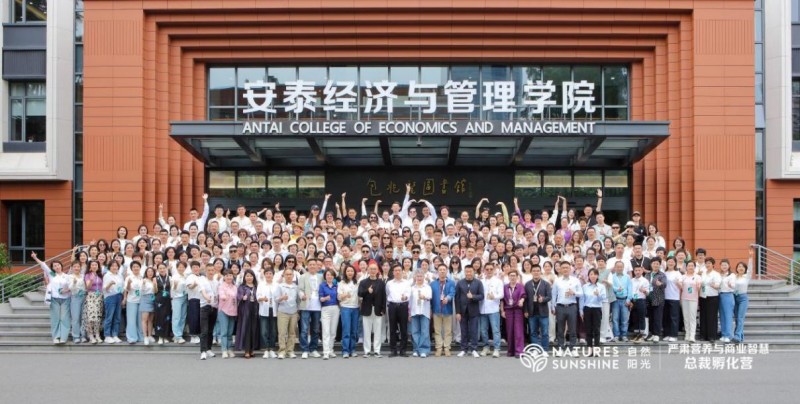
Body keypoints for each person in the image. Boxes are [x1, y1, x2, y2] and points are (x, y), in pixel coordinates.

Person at [33, 252, 71, 345]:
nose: (57, 267)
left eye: (58, 265)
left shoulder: (67, 276)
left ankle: (63, 337)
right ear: (53, 268)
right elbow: (43, 265)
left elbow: (72, 286)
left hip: (65, 299)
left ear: (61, 266)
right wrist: (35, 258)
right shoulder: (52, 275)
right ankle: (56, 337)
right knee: (55, 318)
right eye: (55, 266)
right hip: (54, 299)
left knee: (64, 318)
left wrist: (66, 290)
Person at [551, 261, 582, 354]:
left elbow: (581, 293)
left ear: (570, 269)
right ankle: (560, 347)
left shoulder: (575, 280)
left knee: (572, 329)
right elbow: (554, 294)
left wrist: (574, 293)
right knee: (560, 329)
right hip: (560, 307)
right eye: (563, 267)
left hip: (572, 306)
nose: (565, 269)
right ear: (560, 269)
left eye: (567, 267)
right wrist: (553, 306)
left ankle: (573, 348)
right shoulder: (557, 280)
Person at [358, 262, 387, 357]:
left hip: (378, 310)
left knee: (378, 331)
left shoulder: (381, 283)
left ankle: (377, 350)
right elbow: (359, 293)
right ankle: (367, 351)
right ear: (368, 270)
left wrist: (383, 309)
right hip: (367, 309)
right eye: (371, 269)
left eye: (374, 269)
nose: (373, 271)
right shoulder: (363, 282)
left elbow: (384, 297)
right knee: (366, 331)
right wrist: (367, 291)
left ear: (377, 270)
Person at [455, 265, 484, 358]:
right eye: (467, 271)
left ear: (473, 272)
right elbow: (457, 298)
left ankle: (474, 349)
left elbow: (482, 296)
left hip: (474, 310)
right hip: (462, 311)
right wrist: (458, 312)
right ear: (464, 272)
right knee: (463, 331)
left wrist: (473, 297)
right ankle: (463, 349)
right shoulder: (460, 283)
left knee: (474, 331)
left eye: (470, 271)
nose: (468, 273)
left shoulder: (478, 283)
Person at [298, 258, 322, 359]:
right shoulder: (303, 277)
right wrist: (302, 296)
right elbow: (300, 289)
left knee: (315, 329)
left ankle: (313, 349)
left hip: (317, 306)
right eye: (310, 264)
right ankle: (305, 349)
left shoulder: (321, 277)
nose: (312, 266)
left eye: (314, 264)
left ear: (317, 266)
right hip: (306, 305)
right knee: (304, 329)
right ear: (307, 266)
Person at [524, 264, 552, 351]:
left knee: (545, 332)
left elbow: (549, 297)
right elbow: (525, 299)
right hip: (531, 312)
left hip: (543, 312)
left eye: (538, 271)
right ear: (531, 272)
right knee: (533, 332)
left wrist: (543, 299)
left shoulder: (546, 284)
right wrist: (525, 310)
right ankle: (536, 349)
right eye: (534, 271)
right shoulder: (527, 284)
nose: (536, 272)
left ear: (540, 272)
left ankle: (545, 349)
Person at [430, 264, 456, 357]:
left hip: (447, 310)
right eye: (440, 270)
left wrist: (447, 298)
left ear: (446, 271)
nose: (442, 271)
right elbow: (431, 297)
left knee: (448, 331)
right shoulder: (433, 284)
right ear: (437, 271)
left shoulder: (451, 282)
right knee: (437, 331)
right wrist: (430, 309)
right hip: (436, 310)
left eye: (444, 269)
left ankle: (447, 348)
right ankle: (439, 348)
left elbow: (452, 292)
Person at [386, 265, 411, 357]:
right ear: (393, 272)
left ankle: (403, 350)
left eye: (399, 270)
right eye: (395, 270)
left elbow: (409, 294)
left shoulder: (406, 283)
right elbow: (387, 294)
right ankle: (393, 350)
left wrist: (405, 297)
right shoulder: (389, 283)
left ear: (402, 272)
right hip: (392, 306)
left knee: (404, 328)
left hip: (403, 306)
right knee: (392, 328)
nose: (397, 272)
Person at [478, 263, 503, 357]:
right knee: (483, 330)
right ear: (484, 270)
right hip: (482, 309)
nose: (489, 271)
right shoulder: (481, 281)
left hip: (493, 309)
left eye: (491, 269)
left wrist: (494, 296)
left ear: (494, 270)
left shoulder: (498, 281)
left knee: (495, 330)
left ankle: (497, 349)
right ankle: (486, 347)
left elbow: (501, 294)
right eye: (487, 269)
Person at [580, 268, 606, 355]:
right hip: (587, 309)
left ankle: (596, 349)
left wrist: (598, 295)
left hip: (597, 309)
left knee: (596, 329)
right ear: (588, 276)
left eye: (595, 274)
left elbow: (603, 298)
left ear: (597, 276)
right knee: (588, 329)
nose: (593, 276)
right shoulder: (585, 286)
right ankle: (590, 349)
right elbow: (582, 299)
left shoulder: (601, 286)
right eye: (591, 274)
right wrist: (581, 310)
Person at [276, 269, 300, 359]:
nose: (289, 276)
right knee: (282, 332)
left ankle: (290, 350)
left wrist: (297, 311)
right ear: (284, 276)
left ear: (293, 276)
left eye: (290, 274)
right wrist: (282, 298)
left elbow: (298, 300)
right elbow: (275, 299)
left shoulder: (296, 287)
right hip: (283, 312)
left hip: (293, 312)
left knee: (292, 333)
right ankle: (282, 351)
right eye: (287, 274)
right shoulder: (280, 286)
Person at [236, 269, 260, 358]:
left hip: (255, 309)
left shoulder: (256, 287)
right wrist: (242, 297)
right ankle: (246, 350)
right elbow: (238, 296)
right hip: (245, 310)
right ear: (244, 277)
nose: (249, 278)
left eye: (251, 276)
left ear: (253, 277)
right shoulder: (242, 287)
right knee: (246, 330)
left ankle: (252, 349)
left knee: (254, 329)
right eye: (247, 276)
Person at [501, 270, 526, 357]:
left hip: (518, 310)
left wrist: (522, 301)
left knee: (518, 330)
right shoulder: (505, 287)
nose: (512, 277)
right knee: (510, 330)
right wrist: (502, 311)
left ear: (517, 277)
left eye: (514, 275)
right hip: (508, 310)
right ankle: (510, 351)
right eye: (511, 275)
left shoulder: (520, 286)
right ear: (508, 277)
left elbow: (523, 296)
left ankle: (519, 351)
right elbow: (502, 300)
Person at [337, 265, 360, 358]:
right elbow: (339, 297)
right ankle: (345, 350)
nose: (350, 273)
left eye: (352, 271)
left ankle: (353, 349)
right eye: (348, 271)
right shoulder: (341, 283)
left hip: (355, 308)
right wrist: (345, 295)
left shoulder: (357, 283)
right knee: (346, 330)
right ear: (345, 273)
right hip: (345, 307)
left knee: (354, 330)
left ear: (354, 273)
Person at [256, 268, 279, 359]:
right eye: (267, 274)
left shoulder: (277, 285)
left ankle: (272, 349)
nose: (268, 275)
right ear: (264, 275)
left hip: (274, 309)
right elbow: (258, 296)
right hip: (264, 309)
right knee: (264, 331)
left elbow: (278, 297)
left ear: (273, 275)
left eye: (270, 273)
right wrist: (262, 298)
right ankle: (266, 349)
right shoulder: (261, 284)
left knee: (273, 331)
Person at [409, 270, 432, 358]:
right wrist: (409, 313)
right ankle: (416, 349)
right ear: (415, 277)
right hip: (414, 311)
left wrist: (424, 297)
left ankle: (424, 350)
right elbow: (409, 302)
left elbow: (430, 297)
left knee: (424, 331)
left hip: (424, 311)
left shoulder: (427, 287)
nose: (419, 278)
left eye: (421, 276)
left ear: (423, 277)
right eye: (417, 276)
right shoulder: (412, 288)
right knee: (415, 331)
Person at [319, 269, 340, 360]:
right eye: (328, 275)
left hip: (335, 308)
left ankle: (331, 350)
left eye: (331, 275)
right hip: (325, 309)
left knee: (333, 331)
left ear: (333, 277)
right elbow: (320, 298)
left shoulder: (336, 286)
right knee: (326, 331)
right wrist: (325, 298)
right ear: (325, 276)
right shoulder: (322, 285)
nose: (329, 276)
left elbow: (339, 297)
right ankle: (326, 352)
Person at [733, 249, 753, 342]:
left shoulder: (746, 277)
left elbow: (750, 269)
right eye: (739, 266)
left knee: (740, 317)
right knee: (737, 318)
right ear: (736, 268)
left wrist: (750, 257)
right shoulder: (733, 276)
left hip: (743, 298)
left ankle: (737, 335)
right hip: (734, 297)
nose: (740, 268)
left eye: (742, 267)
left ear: (745, 269)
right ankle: (740, 336)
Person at [198, 264, 218, 360]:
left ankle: (209, 349)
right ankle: (203, 351)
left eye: (212, 270)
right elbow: (203, 292)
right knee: (204, 331)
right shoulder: (202, 280)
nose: (211, 272)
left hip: (214, 307)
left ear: (214, 271)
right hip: (205, 307)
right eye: (209, 270)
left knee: (210, 330)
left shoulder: (216, 282)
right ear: (206, 271)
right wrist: (207, 298)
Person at [102, 260, 124, 343]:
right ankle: (107, 335)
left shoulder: (120, 275)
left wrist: (122, 297)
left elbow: (122, 286)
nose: (114, 267)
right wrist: (110, 284)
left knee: (117, 317)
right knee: (109, 317)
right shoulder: (107, 275)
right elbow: (104, 289)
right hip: (110, 297)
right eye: (112, 266)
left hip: (119, 296)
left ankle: (115, 335)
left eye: (116, 266)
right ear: (109, 267)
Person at [699, 257, 721, 342]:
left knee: (711, 317)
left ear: (713, 264)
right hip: (703, 296)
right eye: (706, 263)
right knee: (703, 316)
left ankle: (712, 336)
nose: (707, 265)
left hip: (712, 297)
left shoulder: (716, 274)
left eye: (709, 263)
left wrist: (713, 285)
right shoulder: (703, 273)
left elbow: (718, 285)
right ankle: (703, 335)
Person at [679, 262, 701, 342]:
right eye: (689, 266)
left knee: (692, 317)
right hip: (684, 298)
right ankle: (687, 334)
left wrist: (698, 286)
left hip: (693, 299)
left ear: (694, 267)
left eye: (692, 266)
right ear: (686, 267)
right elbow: (680, 286)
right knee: (686, 317)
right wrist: (679, 284)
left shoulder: (697, 277)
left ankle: (692, 335)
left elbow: (699, 287)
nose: (690, 267)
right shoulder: (683, 277)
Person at [217, 269, 238, 358]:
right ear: (224, 277)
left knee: (230, 332)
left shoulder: (235, 287)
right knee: (224, 332)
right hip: (223, 311)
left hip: (233, 311)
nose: (229, 277)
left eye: (230, 275)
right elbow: (221, 295)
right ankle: (224, 350)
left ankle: (229, 349)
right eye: (227, 276)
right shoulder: (221, 286)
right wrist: (224, 296)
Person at [83, 260, 104, 344]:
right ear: (90, 266)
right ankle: (91, 335)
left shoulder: (100, 275)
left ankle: (97, 335)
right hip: (91, 296)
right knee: (90, 317)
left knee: (98, 317)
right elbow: (87, 287)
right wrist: (91, 280)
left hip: (99, 297)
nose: (94, 266)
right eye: (92, 265)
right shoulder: (87, 275)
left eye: (96, 265)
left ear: (98, 266)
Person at [645, 257, 666, 343]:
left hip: (658, 298)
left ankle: (657, 334)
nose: (655, 265)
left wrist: (660, 284)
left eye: (657, 264)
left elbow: (665, 284)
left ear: (660, 265)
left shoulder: (662, 275)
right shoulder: (647, 274)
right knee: (651, 317)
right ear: (651, 264)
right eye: (654, 263)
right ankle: (652, 334)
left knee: (658, 317)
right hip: (649, 298)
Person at [610, 261, 632, 342]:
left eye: (621, 267)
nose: (619, 268)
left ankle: (624, 335)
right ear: (615, 268)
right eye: (618, 267)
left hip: (624, 300)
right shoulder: (612, 277)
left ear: (623, 268)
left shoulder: (627, 277)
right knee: (615, 318)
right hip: (615, 299)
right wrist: (617, 289)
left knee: (625, 319)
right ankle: (616, 335)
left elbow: (630, 288)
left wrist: (628, 299)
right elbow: (611, 287)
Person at [663, 257, 682, 342]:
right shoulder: (664, 273)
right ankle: (667, 334)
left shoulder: (677, 273)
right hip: (665, 297)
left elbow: (681, 286)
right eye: (669, 261)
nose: (670, 263)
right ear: (666, 263)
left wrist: (678, 283)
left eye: (672, 262)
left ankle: (674, 335)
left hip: (674, 297)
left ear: (675, 263)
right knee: (666, 317)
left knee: (674, 317)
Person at [67, 261, 87, 344]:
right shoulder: (70, 276)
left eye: (78, 266)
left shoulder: (83, 276)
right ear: (72, 268)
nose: (76, 268)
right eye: (74, 266)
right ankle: (76, 336)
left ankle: (83, 335)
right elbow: (70, 288)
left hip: (84, 297)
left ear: (80, 268)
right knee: (75, 318)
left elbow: (86, 286)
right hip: (75, 297)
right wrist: (74, 283)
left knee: (83, 317)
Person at [629, 266, 649, 343]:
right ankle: (636, 335)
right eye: (636, 270)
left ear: (642, 271)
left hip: (641, 300)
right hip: (633, 300)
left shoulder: (645, 281)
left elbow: (648, 293)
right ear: (634, 271)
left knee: (641, 318)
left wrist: (644, 291)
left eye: (639, 270)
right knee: (635, 318)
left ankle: (642, 335)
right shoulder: (631, 280)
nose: (637, 272)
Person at [153, 263, 172, 345]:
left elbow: (172, 289)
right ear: (157, 270)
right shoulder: (155, 278)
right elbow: (155, 291)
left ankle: (165, 336)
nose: (162, 270)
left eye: (163, 268)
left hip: (168, 300)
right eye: (160, 268)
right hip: (159, 300)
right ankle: (160, 337)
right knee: (159, 317)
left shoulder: (170, 278)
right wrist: (154, 285)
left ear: (166, 268)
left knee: (167, 317)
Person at [185, 261, 203, 344]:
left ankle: (198, 334)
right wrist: (194, 285)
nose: (196, 268)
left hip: (202, 300)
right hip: (193, 299)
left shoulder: (202, 277)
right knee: (193, 318)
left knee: (200, 318)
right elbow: (190, 286)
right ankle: (193, 335)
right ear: (191, 269)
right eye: (194, 267)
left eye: (197, 267)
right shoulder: (190, 277)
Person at [170, 261, 188, 344]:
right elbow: (172, 289)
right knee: (176, 317)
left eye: (183, 267)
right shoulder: (174, 277)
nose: (181, 268)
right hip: (177, 298)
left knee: (183, 317)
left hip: (184, 297)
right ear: (177, 268)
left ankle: (178, 334)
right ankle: (178, 336)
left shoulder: (185, 276)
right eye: (179, 267)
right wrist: (175, 286)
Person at [139, 266, 157, 345]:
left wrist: (155, 284)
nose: (150, 273)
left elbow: (155, 291)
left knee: (151, 320)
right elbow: (141, 290)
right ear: (146, 273)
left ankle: (150, 335)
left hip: (153, 299)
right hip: (145, 299)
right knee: (144, 319)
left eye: (152, 271)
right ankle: (145, 336)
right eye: (148, 271)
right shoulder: (143, 280)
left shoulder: (154, 280)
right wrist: (143, 284)